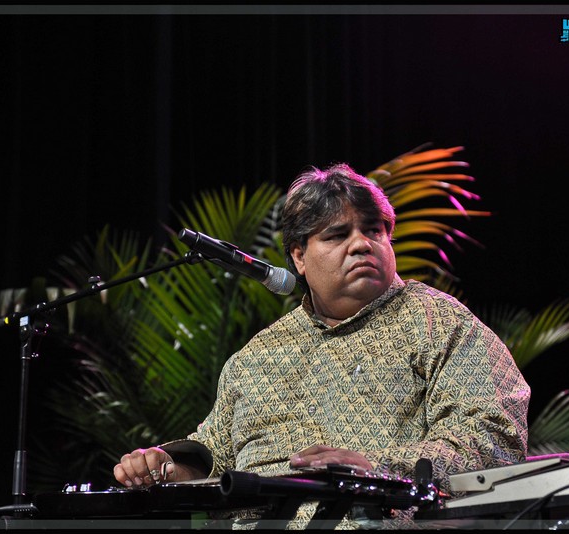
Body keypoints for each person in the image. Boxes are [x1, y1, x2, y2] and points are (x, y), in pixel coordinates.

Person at [113, 163, 531, 528]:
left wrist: (377, 470)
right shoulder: (256, 357)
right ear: (299, 256)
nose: (361, 243)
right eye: (337, 234)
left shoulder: (437, 322)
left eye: (374, 230)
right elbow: (215, 457)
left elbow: (495, 436)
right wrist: (167, 468)